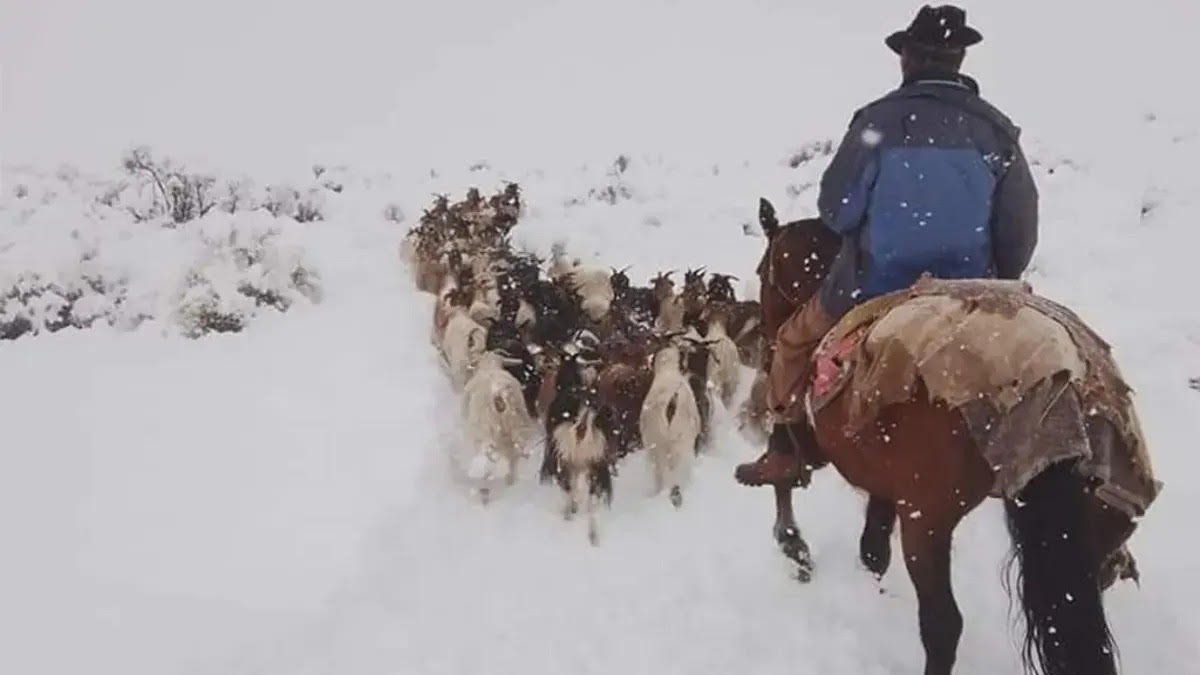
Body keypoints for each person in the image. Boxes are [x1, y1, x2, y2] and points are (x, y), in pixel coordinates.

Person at [735, 5, 1039, 487]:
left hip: (873, 288)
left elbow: (837, 212)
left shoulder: (877, 123)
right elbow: (1019, 228)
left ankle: (786, 450)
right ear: (959, 60)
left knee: (791, 342)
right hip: (967, 293)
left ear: (907, 59)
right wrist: (991, 280)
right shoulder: (997, 131)